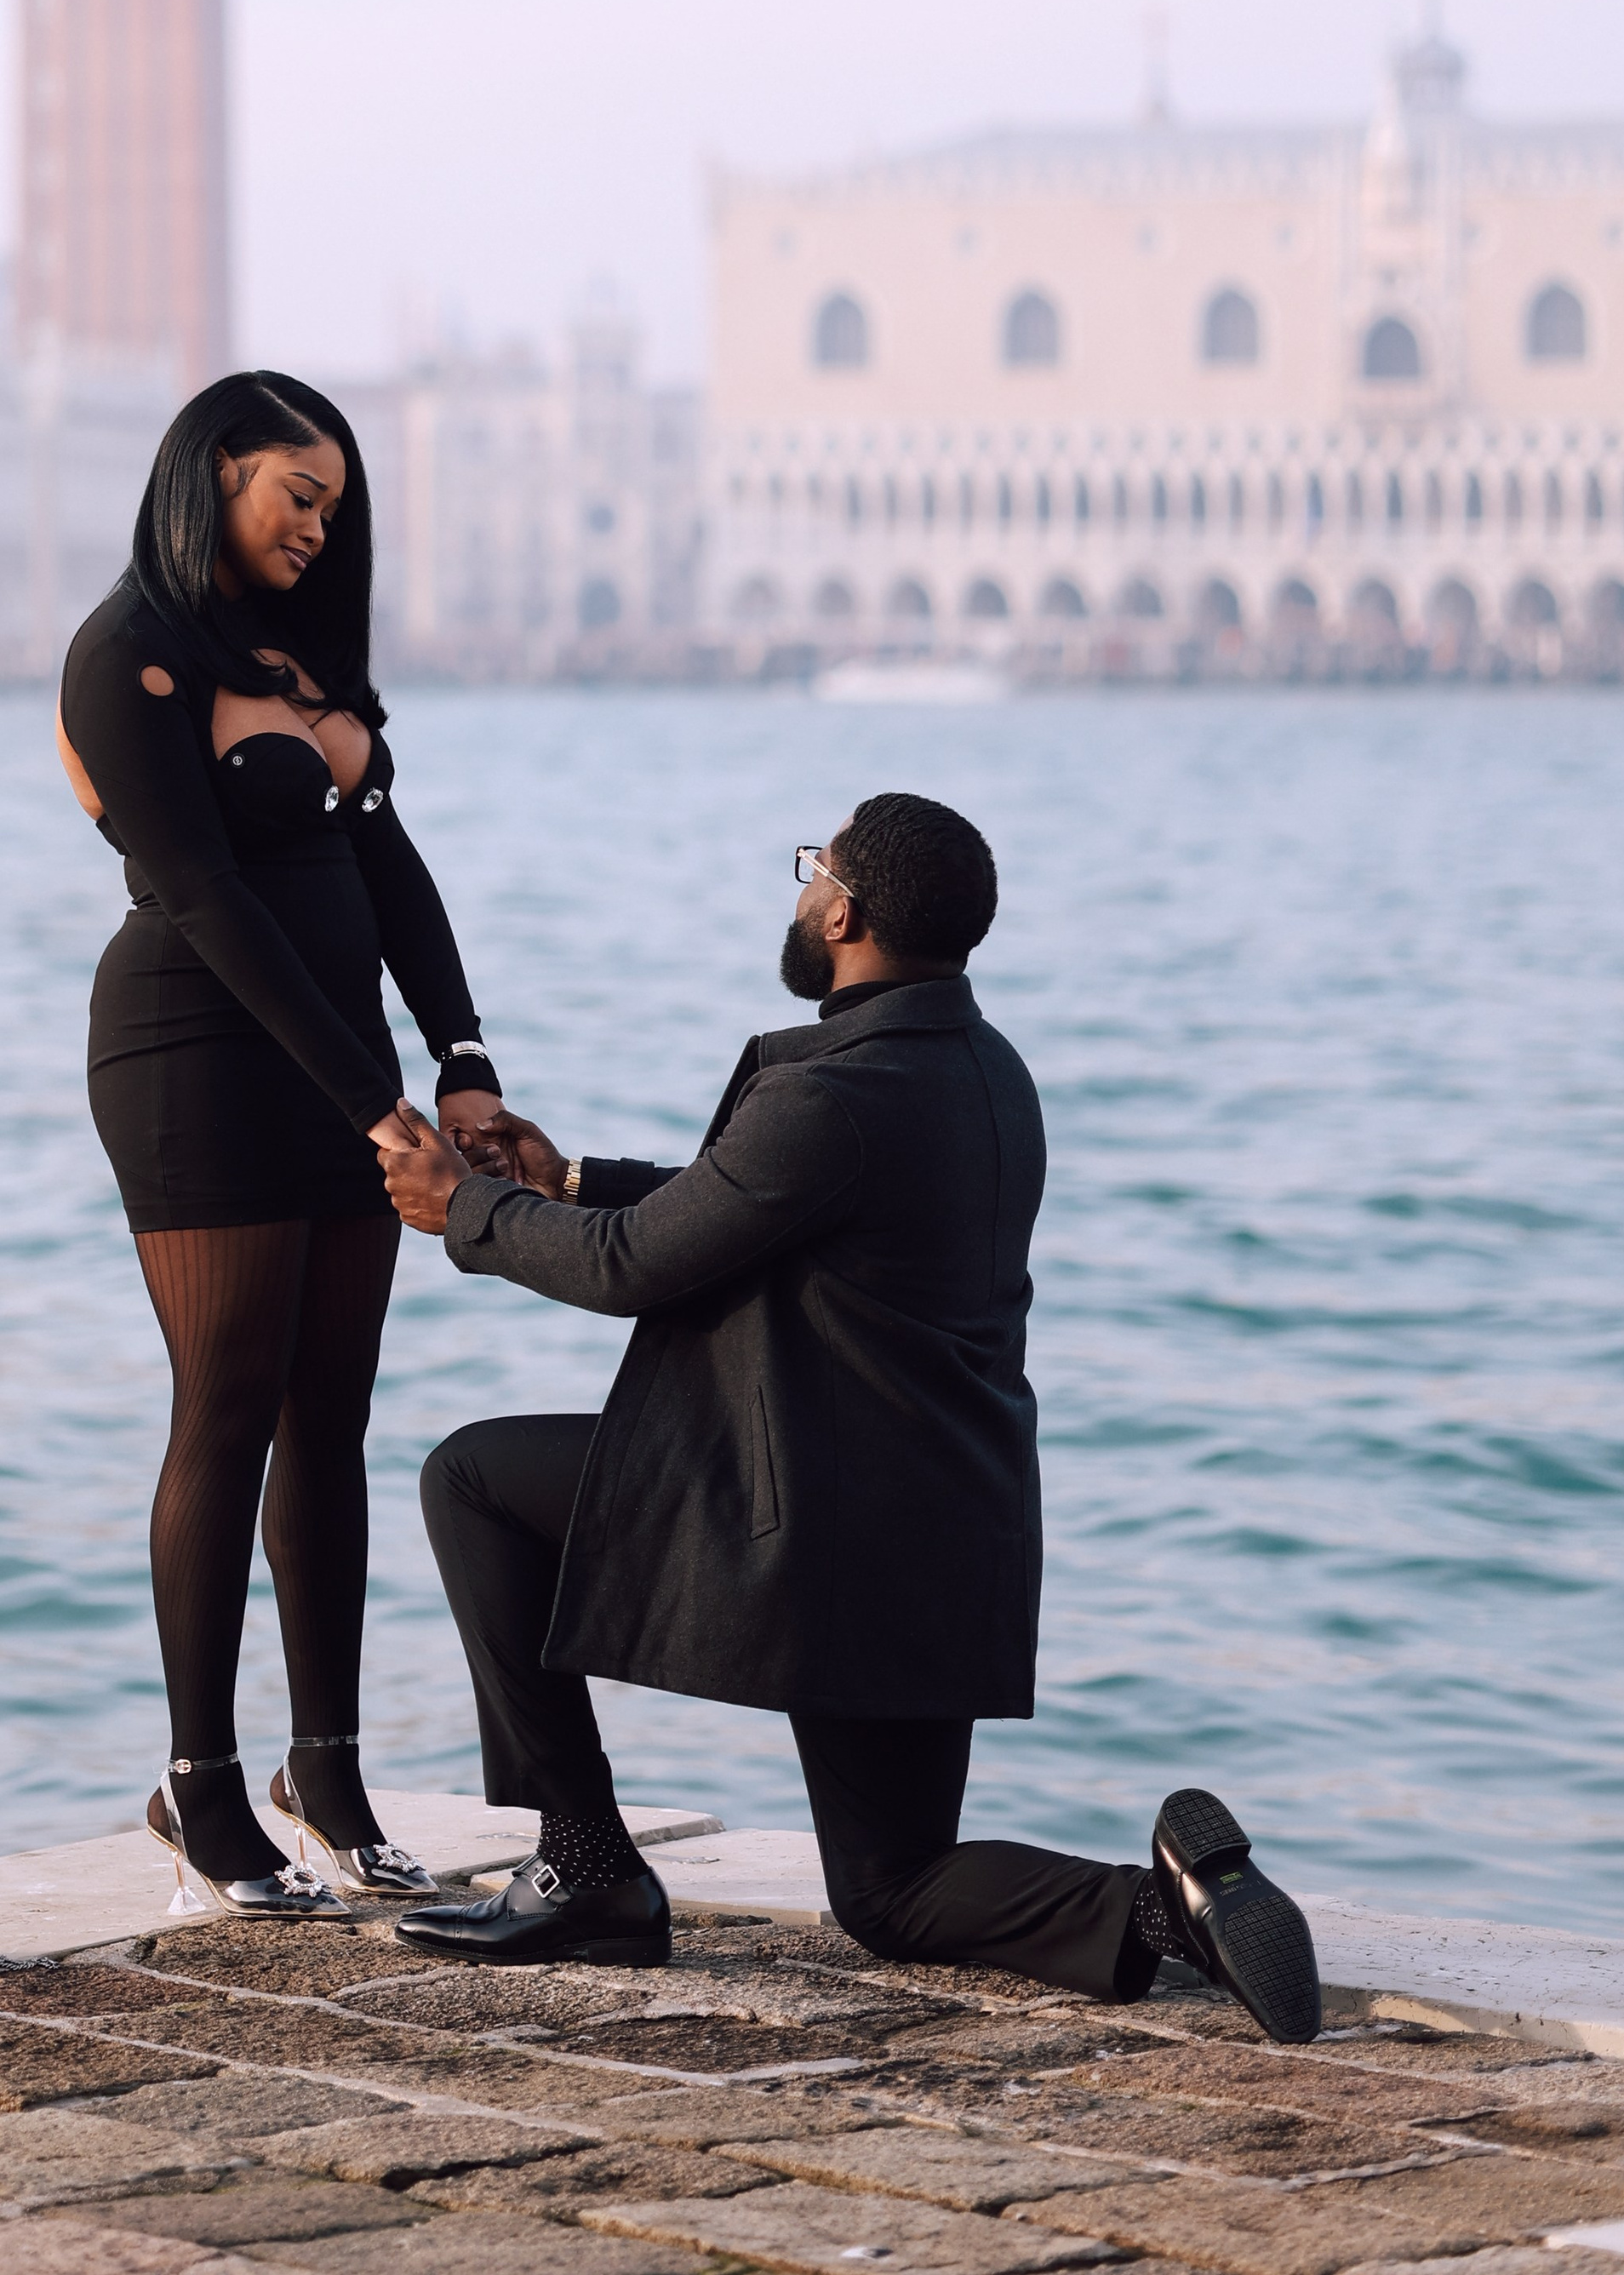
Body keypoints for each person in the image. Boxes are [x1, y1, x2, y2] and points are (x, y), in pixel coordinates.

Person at [375, 790, 1322, 2042]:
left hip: (821, 1523)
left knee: (473, 1480)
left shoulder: (835, 1093)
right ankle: (1168, 1912)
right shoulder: (984, 1067)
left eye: (814, 865)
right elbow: (758, 1208)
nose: (805, 884)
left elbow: (635, 1267)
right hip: (947, 1526)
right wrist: (568, 1180)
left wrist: (471, 1212)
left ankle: (587, 1865)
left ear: (846, 911)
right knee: (892, 1890)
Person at [57, 371, 504, 1921]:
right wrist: (362, 1097)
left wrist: (456, 1061)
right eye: (295, 495)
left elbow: (389, 863)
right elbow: (206, 896)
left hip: (345, 1068)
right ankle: (201, 1783)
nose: (321, 525)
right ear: (212, 474)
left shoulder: (299, 657)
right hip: (197, 1057)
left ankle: (333, 1773)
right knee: (229, 1400)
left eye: (336, 504)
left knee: (335, 1416)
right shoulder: (125, 657)